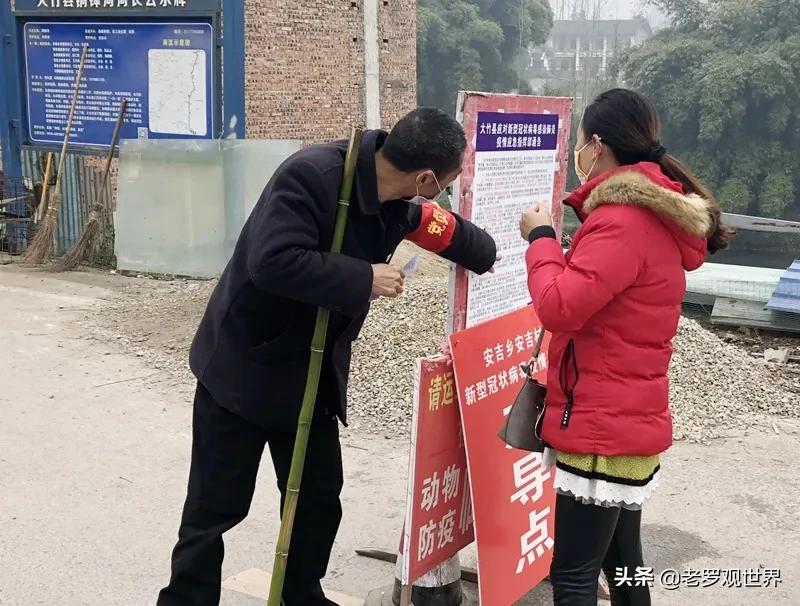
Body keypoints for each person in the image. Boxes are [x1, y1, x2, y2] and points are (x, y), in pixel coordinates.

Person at [157, 108, 497, 606]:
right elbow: (271, 262)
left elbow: (443, 229)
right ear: (425, 177)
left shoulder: (397, 202)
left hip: (311, 375)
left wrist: (502, 252)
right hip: (244, 368)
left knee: (317, 499)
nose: (439, 192)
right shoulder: (313, 176)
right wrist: (365, 277)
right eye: (443, 183)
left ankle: (301, 594)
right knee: (215, 509)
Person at [519, 89, 734, 605]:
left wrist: (542, 238)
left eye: (580, 145)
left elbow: (559, 307)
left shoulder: (621, 221)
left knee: (572, 574)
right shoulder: (654, 216)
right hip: (628, 417)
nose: (579, 155)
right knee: (624, 565)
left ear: (597, 146)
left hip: (600, 424)